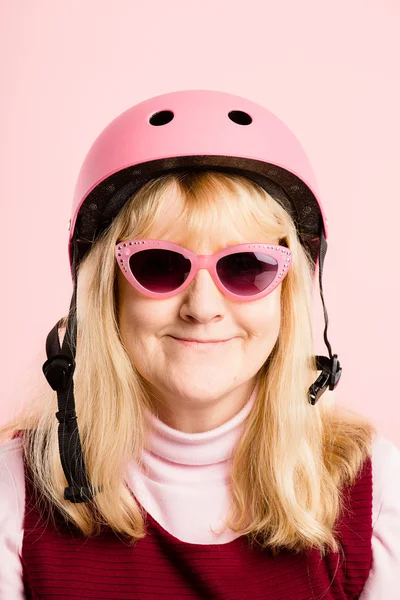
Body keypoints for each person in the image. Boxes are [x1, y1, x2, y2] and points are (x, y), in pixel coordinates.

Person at [0, 89, 399, 599]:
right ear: (106, 293)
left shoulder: (376, 495)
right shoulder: (18, 493)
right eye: (160, 265)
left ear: (290, 292)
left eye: (247, 267)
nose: (203, 307)